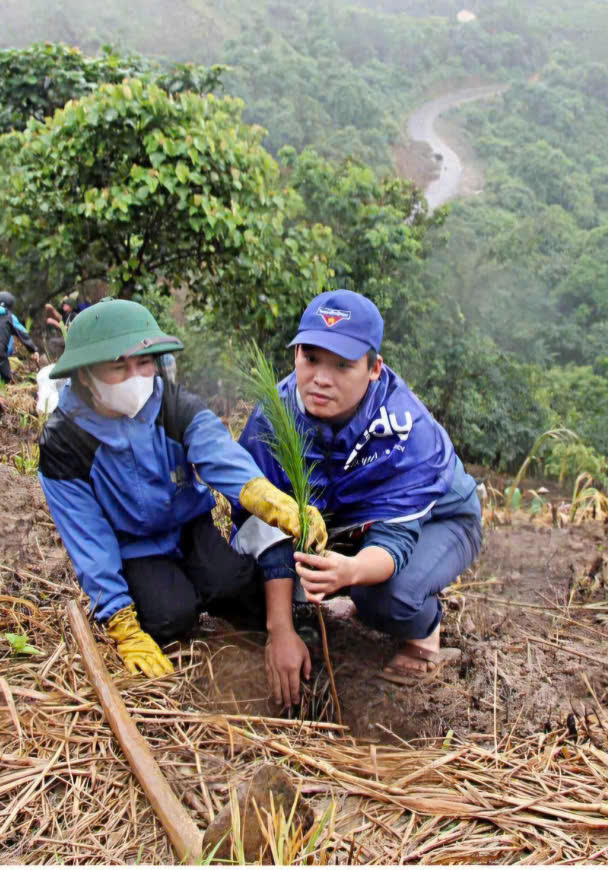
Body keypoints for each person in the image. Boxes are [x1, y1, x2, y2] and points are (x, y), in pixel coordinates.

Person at [37, 299, 326, 678]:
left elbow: (220, 455)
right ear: (85, 374)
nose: (136, 377)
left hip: (187, 525)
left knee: (232, 583)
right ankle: (165, 602)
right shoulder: (64, 443)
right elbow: (88, 536)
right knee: (171, 617)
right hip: (131, 546)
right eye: (118, 367)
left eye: (143, 363)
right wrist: (120, 619)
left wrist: (273, 501)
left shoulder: (173, 407)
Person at [235, 289, 482, 704]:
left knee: (384, 597)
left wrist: (348, 573)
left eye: (344, 365)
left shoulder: (404, 431)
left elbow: (393, 540)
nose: (321, 379)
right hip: (346, 520)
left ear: (373, 368)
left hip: (437, 520)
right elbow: (265, 524)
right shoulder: (274, 418)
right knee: (245, 580)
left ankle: (425, 627)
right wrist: (280, 629)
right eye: (310, 359)